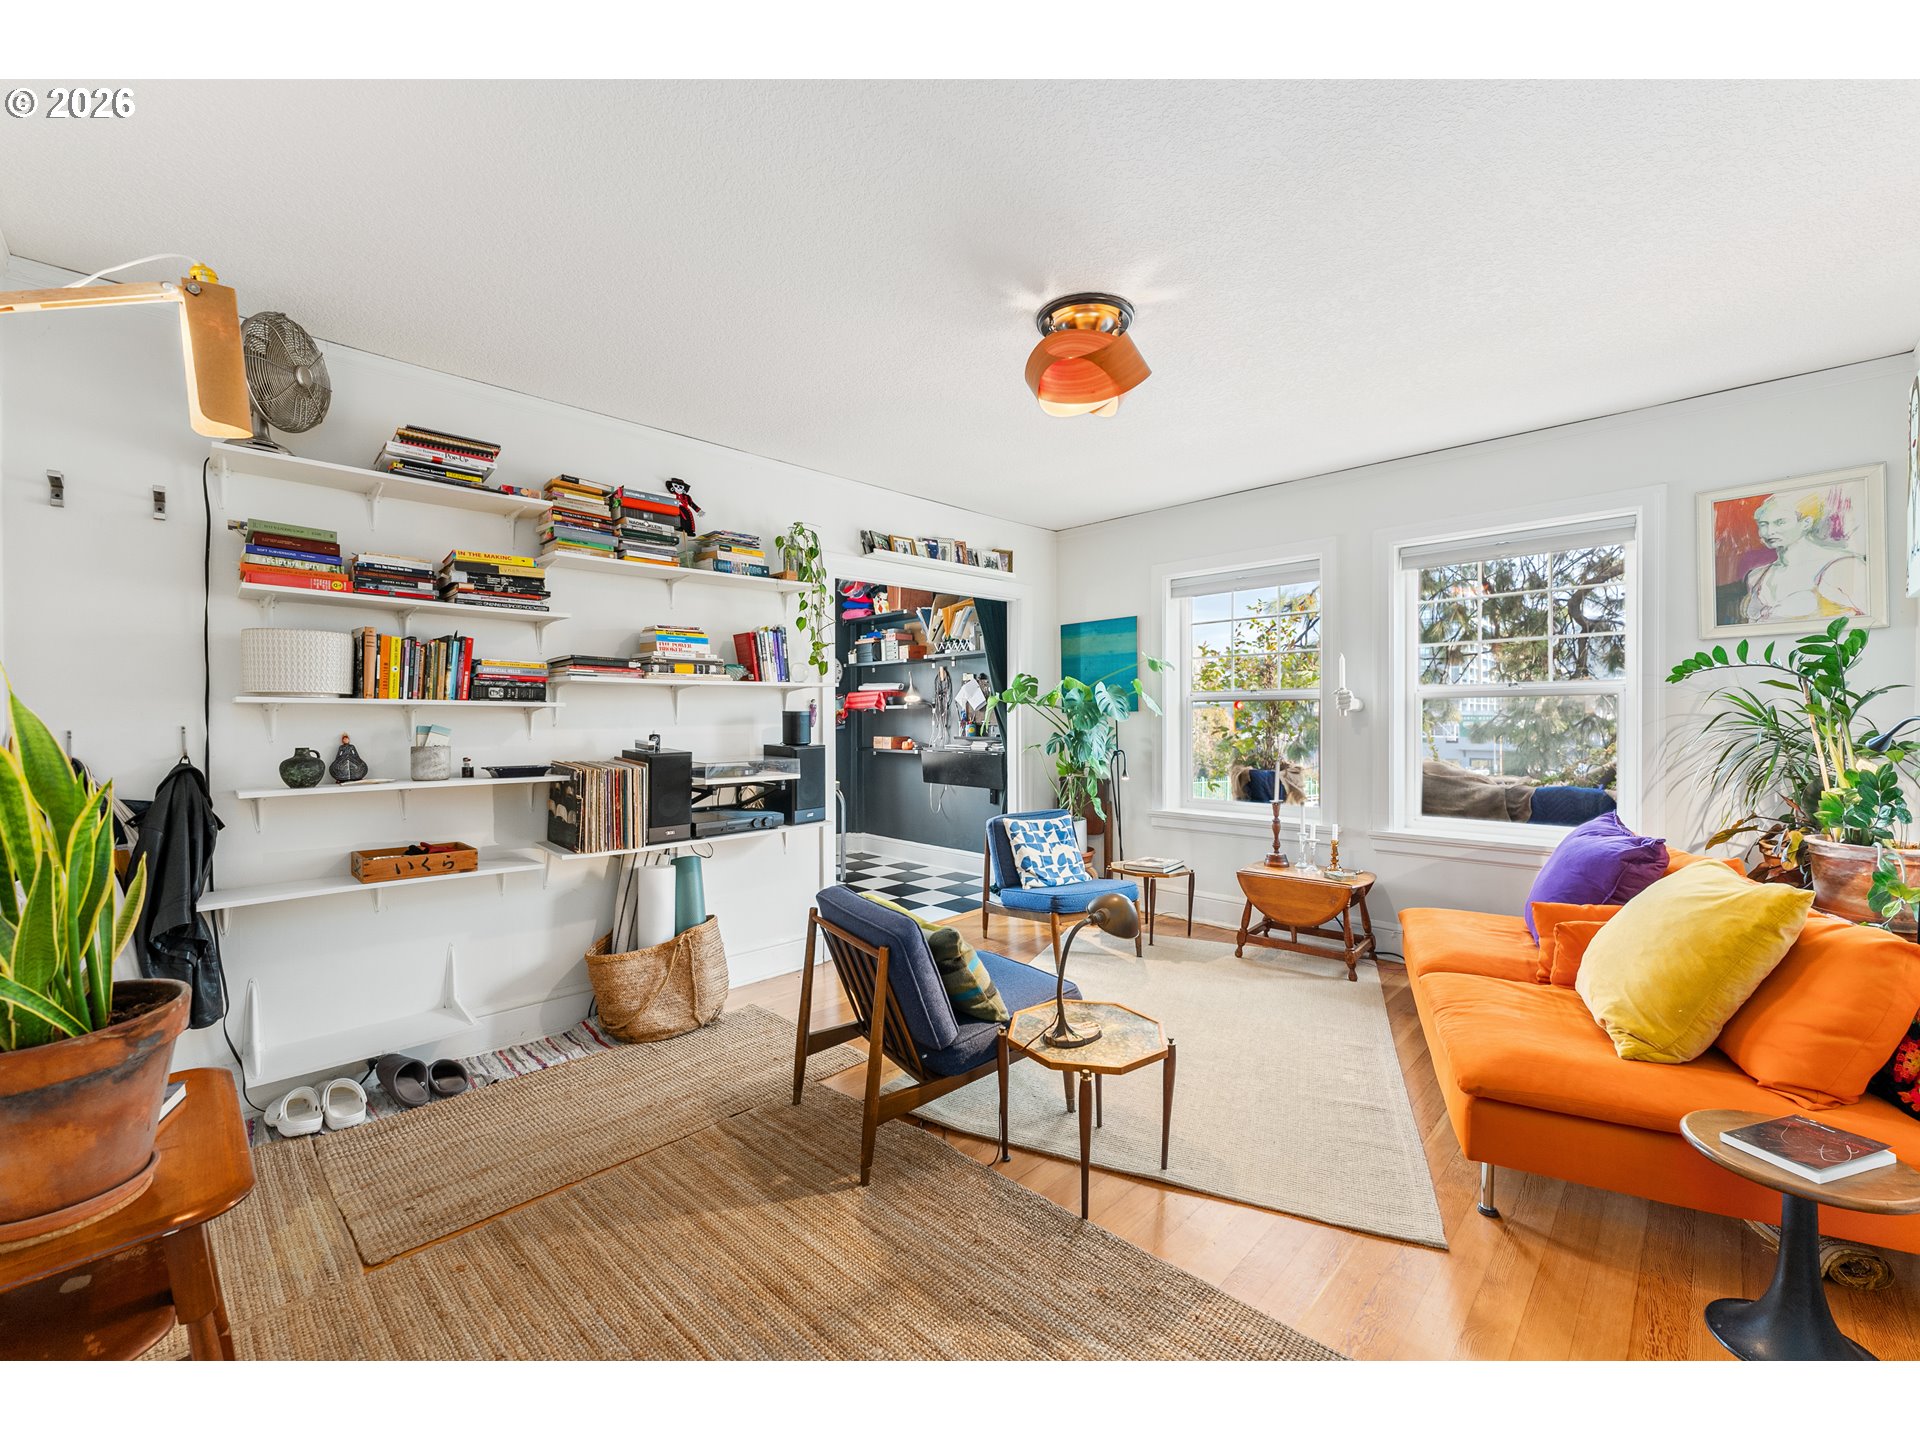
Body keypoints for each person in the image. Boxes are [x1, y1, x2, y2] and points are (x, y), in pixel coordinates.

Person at [1740, 488, 1868, 623]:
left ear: (1806, 523)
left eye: (1780, 522)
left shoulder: (1842, 565)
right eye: (1763, 524)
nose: (1769, 531)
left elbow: (1872, 621)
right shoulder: (1756, 576)